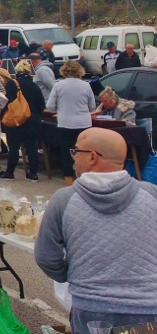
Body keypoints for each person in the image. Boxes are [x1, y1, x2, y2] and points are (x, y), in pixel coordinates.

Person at [35, 128, 157, 334]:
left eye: (76, 152)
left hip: (91, 310)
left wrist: (74, 276)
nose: (73, 158)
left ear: (92, 157)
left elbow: (46, 257)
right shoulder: (151, 194)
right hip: (148, 308)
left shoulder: (64, 200)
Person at [46, 60, 96, 186]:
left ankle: (69, 182)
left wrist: (61, 108)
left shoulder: (58, 85)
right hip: (84, 123)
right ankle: (85, 180)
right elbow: (92, 106)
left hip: (65, 123)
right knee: (85, 152)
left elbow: (50, 106)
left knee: (66, 153)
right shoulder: (86, 85)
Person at [0, 60, 47, 182]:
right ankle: (33, 174)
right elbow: (41, 104)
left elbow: (5, 102)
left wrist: (3, 118)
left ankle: (9, 173)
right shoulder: (35, 86)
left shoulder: (11, 84)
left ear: (17, 71)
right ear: (30, 72)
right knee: (31, 147)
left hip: (16, 120)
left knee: (14, 147)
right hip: (32, 121)